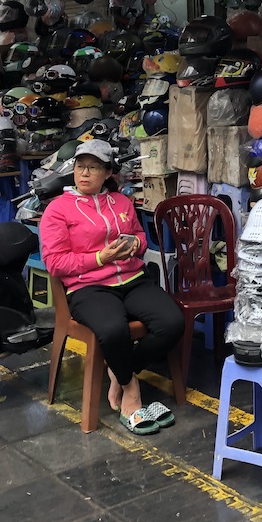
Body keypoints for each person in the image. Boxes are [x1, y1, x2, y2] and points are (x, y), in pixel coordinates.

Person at [39, 138, 183, 435]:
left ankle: (120, 370)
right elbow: (55, 263)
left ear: (108, 173)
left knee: (172, 322)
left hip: (132, 279)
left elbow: (141, 237)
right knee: (113, 330)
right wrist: (99, 257)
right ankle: (131, 388)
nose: (85, 173)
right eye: (81, 166)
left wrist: (135, 245)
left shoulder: (122, 202)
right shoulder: (58, 210)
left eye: (94, 167)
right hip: (88, 287)